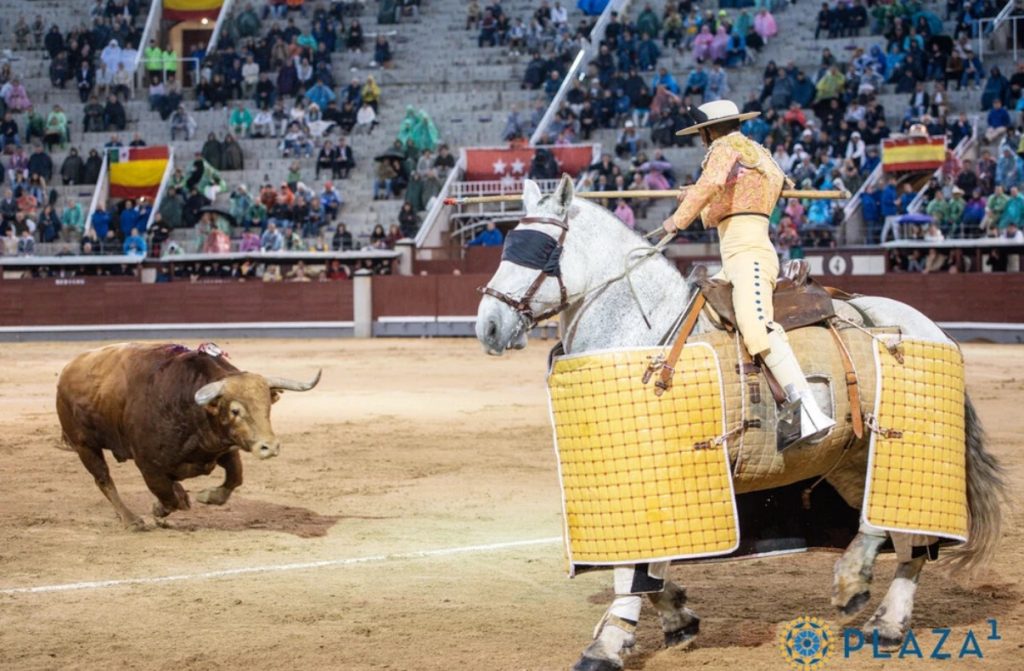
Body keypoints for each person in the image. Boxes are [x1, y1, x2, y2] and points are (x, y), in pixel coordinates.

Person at [662, 99, 834, 448]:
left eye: (701, 134)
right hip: (740, 253)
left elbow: (712, 187)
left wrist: (677, 219)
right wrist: (694, 194)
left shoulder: (723, 149)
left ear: (709, 131)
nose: (702, 141)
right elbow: (731, 200)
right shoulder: (760, 155)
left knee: (757, 329)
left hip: (748, 256)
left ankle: (809, 412)